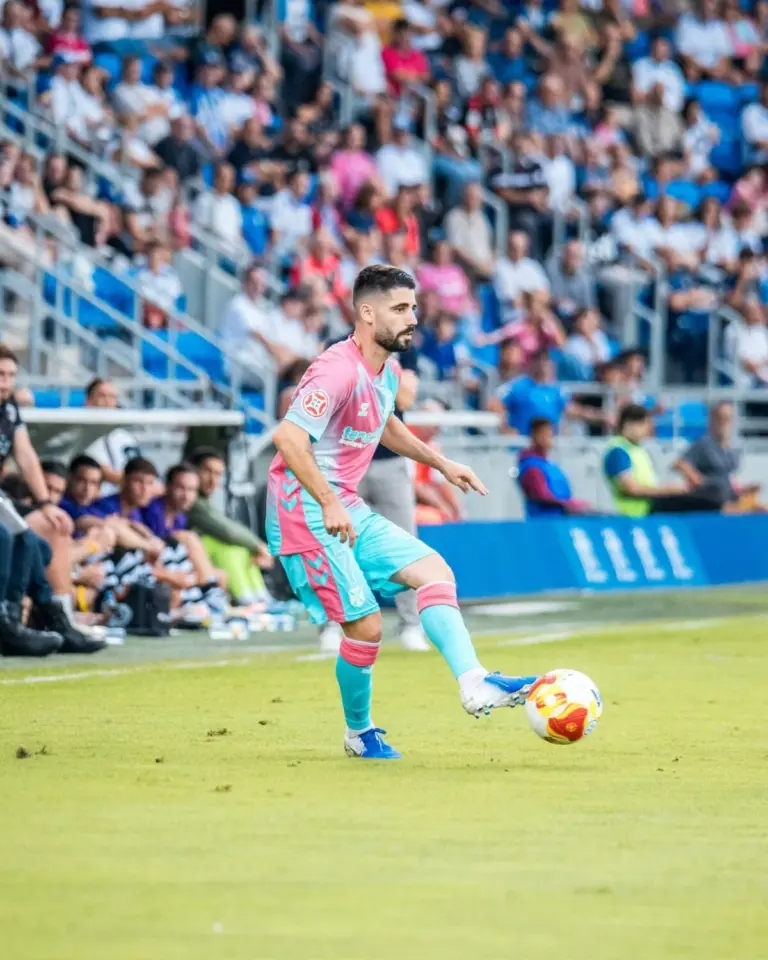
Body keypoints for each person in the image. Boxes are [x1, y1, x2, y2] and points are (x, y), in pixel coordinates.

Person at [267, 265, 537, 760]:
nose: (413, 318)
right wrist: (327, 501)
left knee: (435, 572)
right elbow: (286, 437)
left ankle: (474, 681)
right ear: (366, 313)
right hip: (303, 506)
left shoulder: (385, 369)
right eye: (400, 309)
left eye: (413, 307)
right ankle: (359, 733)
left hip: (342, 501)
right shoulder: (336, 369)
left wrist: (441, 462)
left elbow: (384, 423)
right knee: (366, 628)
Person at [186, 447, 274, 606]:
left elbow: (228, 526)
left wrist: (256, 547)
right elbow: (227, 531)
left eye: (218, 474)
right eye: (207, 471)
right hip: (181, 556)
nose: (213, 480)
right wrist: (259, 546)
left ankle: (260, 597)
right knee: (228, 547)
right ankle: (245, 600)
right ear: (193, 471)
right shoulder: (193, 503)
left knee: (242, 550)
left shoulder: (203, 502)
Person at [603, 404, 719, 516]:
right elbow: (632, 489)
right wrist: (670, 490)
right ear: (629, 425)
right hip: (637, 513)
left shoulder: (636, 449)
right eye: (644, 424)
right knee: (707, 504)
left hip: (648, 508)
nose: (648, 429)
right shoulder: (618, 452)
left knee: (707, 498)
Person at [674, 401, 761, 512]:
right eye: (720, 418)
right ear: (712, 420)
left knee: (761, 508)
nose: (724, 423)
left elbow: (728, 477)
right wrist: (698, 481)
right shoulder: (704, 444)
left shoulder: (732, 449)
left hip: (730, 497)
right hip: (712, 502)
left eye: (728, 419)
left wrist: (743, 489)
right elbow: (680, 464)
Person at [517, 418, 594, 518]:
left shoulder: (548, 464)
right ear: (534, 435)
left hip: (560, 519)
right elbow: (541, 496)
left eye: (550, 435)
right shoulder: (532, 466)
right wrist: (570, 504)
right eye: (544, 434)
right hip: (544, 521)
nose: (549, 439)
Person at [83, 378, 141, 495]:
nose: (107, 401)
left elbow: (141, 469)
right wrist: (141, 482)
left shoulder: (126, 437)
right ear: (88, 401)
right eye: (102, 396)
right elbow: (105, 473)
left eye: (112, 397)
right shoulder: (82, 435)